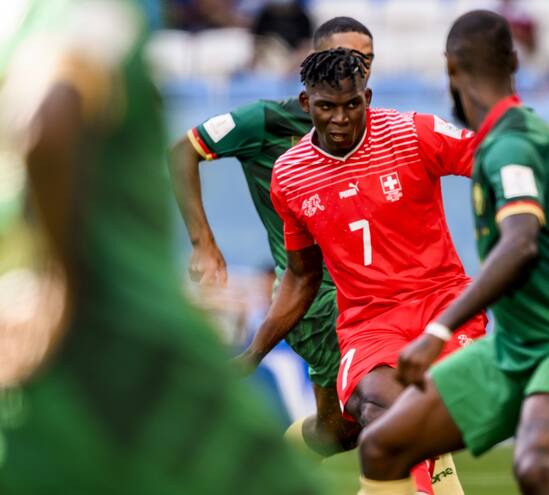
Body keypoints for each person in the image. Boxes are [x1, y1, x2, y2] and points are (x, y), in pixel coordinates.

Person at [0, 1, 320, 493]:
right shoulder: (94, 13)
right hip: (131, 339)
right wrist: (59, 286)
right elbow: (51, 120)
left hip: (27, 350)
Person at [356, 11, 549, 495]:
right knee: (381, 447)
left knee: (537, 468)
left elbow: (521, 243)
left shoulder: (512, 146)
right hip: (514, 349)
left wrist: (438, 331)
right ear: (514, 61)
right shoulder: (505, 140)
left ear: (451, 69)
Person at [245, 47, 487, 494]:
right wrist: (254, 352)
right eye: (326, 107)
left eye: (352, 104)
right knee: (382, 408)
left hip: (444, 305)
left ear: (367, 97)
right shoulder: (289, 175)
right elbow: (301, 276)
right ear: (305, 105)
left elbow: (489, 160)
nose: (341, 118)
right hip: (368, 325)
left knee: (414, 409)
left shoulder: (412, 132)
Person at [169, 17, 373, 459]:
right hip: (316, 296)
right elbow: (183, 150)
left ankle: (268, 464)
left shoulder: (371, 130)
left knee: (339, 431)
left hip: (364, 289)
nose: (355, 68)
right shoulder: (266, 120)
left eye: (365, 62)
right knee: (396, 396)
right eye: (347, 57)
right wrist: (203, 241)